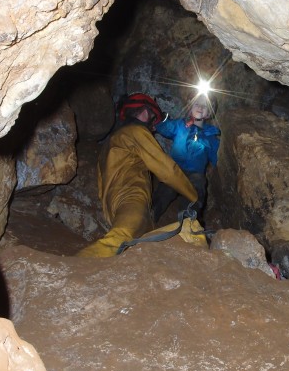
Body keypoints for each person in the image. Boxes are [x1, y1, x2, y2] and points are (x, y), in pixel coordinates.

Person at [77, 93, 198, 258]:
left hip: (113, 206)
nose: (154, 126)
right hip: (131, 199)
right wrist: (193, 195)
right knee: (117, 239)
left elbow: (101, 183)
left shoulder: (111, 142)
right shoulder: (136, 131)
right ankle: (73, 269)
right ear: (144, 112)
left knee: (181, 234)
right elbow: (168, 171)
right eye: (153, 117)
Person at [151, 94, 220, 224]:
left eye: (205, 106)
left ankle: (188, 222)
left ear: (209, 112)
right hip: (175, 169)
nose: (200, 107)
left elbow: (217, 159)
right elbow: (165, 127)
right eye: (197, 104)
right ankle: (151, 215)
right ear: (190, 107)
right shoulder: (180, 125)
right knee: (165, 189)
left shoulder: (210, 136)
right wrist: (156, 119)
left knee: (196, 190)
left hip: (195, 173)